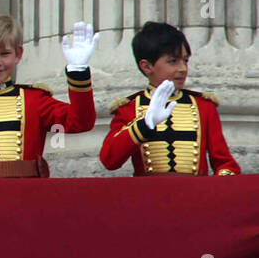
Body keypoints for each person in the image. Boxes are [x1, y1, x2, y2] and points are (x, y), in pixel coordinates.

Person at [0, 10, 97, 178]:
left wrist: (78, 71)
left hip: (26, 198)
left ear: (18, 54)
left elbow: (81, 122)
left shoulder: (34, 100)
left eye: (4, 53)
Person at [99, 21, 239, 176]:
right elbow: (109, 160)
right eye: (173, 61)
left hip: (196, 197)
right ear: (147, 66)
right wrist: (144, 125)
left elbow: (225, 163)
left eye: (185, 60)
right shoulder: (129, 109)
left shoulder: (203, 106)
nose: (183, 69)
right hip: (150, 198)